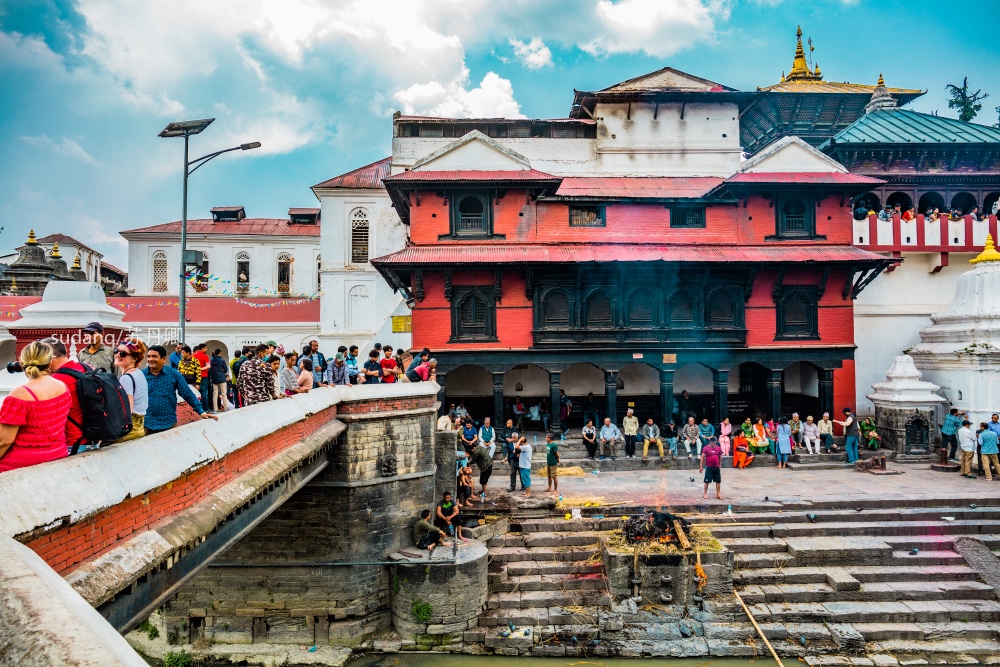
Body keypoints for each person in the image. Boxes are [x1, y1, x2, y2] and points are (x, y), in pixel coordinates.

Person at [0, 341, 71, 473]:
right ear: (50, 362)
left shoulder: (19, 395)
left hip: (24, 461)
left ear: (21, 362)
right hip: (57, 453)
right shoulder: (63, 387)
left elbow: (4, 441)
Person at [142, 346, 216, 434]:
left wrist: (201, 411)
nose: (150, 359)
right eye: (148, 356)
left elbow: (187, 393)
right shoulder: (141, 375)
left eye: (154, 356)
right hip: (146, 424)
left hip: (168, 424)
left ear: (163, 359)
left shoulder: (173, 374)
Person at [43, 338, 89, 453]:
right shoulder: (86, 368)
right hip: (93, 438)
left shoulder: (57, 380)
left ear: (50, 357)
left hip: (73, 443)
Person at [113, 339, 148, 442]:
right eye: (116, 351)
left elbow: (127, 410)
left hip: (131, 428)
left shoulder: (126, 378)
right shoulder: (138, 373)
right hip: (140, 425)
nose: (118, 355)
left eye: (123, 353)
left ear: (134, 359)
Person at [191, 343, 211, 411]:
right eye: (206, 348)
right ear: (202, 348)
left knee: (195, 392)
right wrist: (200, 369)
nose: (206, 349)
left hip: (194, 377)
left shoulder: (193, 356)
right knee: (204, 393)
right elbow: (208, 366)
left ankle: (197, 408)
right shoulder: (205, 356)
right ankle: (205, 409)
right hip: (203, 376)